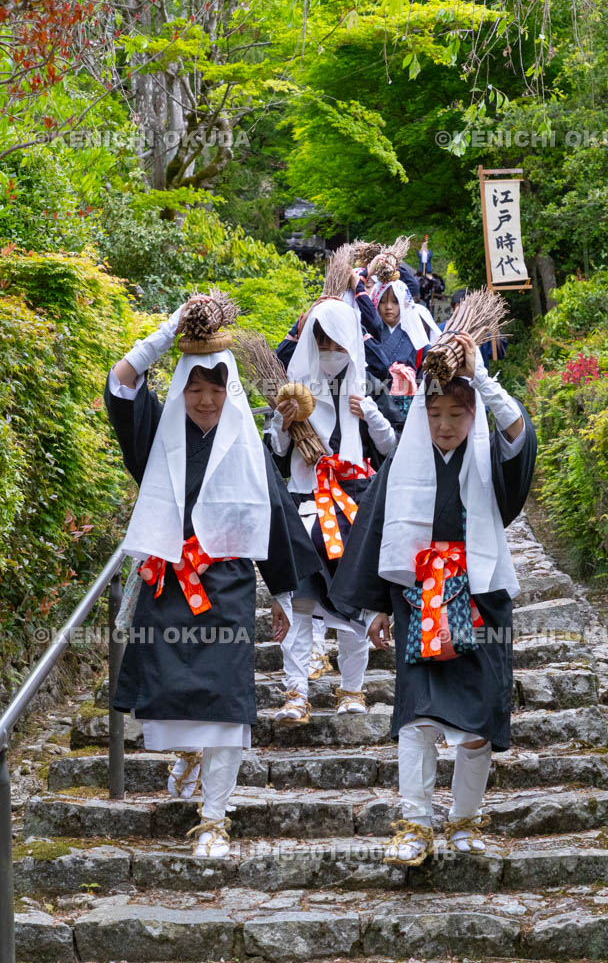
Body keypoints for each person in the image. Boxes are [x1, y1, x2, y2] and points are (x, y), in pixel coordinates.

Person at [105, 299, 320, 858]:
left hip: (226, 586)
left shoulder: (245, 445)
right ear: (183, 389)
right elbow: (121, 384)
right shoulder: (157, 431)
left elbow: (272, 514)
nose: (205, 400)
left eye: (216, 390)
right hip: (168, 583)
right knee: (174, 695)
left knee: (227, 703)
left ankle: (215, 819)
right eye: (196, 389)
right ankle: (187, 754)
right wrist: (166, 333)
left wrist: (282, 592)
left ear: (229, 392)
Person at [329, 333, 536, 866]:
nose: (445, 424)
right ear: (420, 413)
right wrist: (378, 605)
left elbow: (516, 432)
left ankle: (465, 819)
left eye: (457, 413)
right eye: (434, 412)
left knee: (479, 721)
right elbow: (382, 533)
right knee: (417, 715)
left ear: (473, 414)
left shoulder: (490, 461)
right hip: (418, 595)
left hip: (482, 594)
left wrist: (481, 377)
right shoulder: (403, 468)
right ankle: (414, 824)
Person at [266, 298, 397, 722]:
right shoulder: (294, 389)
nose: (330, 351)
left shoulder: (366, 387)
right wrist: (283, 424)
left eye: (337, 343)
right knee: (298, 600)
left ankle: (353, 689)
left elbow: (394, 448)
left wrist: (372, 415)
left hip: (353, 503)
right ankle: (295, 692)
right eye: (321, 342)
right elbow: (277, 453)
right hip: (305, 505)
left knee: (355, 597)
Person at [372, 277, 432, 429]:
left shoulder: (415, 334)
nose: (388, 307)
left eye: (395, 301)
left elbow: (424, 372)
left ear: (404, 303)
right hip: (375, 403)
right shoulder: (369, 334)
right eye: (383, 301)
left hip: (408, 405)